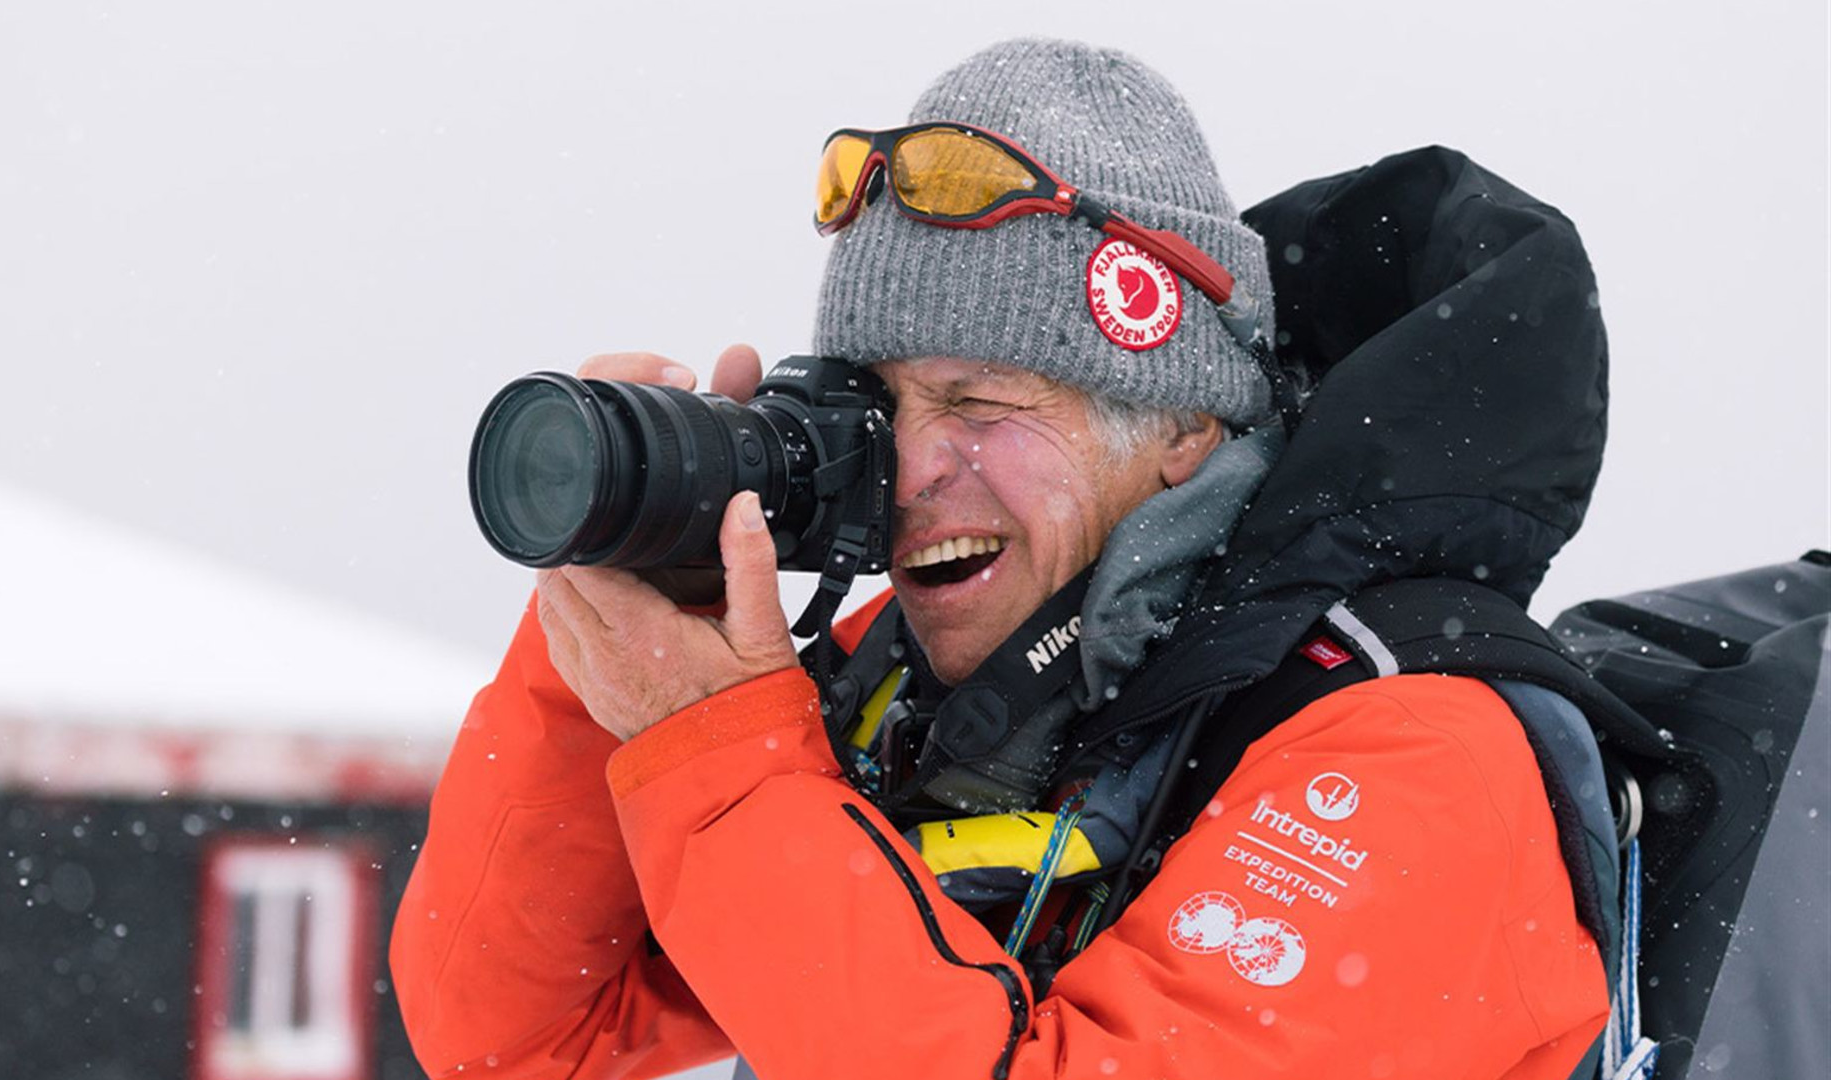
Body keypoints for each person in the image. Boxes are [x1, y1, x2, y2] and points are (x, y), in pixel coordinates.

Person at [391, 38, 1615, 1080]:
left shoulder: (1408, 748)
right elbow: (517, 1041)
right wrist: (623, 639)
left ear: (1183, 430)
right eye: (880, 405)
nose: (912, 470)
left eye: (979, 402)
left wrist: (718, 760)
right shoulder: (902, 699)